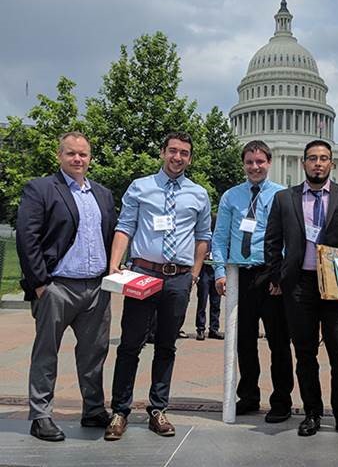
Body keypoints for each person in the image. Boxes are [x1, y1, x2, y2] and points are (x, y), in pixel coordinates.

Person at [104, 132, 211, 441]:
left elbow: (203, 236)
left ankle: (157, 408)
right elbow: (125, 226)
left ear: (190, 158)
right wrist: (115, 264)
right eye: (173, 151)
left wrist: (193, 275)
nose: (178, 157)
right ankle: (120, 410)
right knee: (130, 344)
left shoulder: (198, 194)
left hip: (178, 278)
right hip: (143, 275)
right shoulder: (141, 186)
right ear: (163, 152)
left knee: (166, 346)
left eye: (184, 153)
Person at [265, 140, 338, 439]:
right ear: (304, 163)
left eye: (324, 158)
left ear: (332, 164)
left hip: (337, 283)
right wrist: (278, 277)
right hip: (300, 284)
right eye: (312, 158)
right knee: (305, 353)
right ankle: (311, 412)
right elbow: (272, 241)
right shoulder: (285, 199)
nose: (318, 164)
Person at [16, 131, 116, 441]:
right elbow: (26, 237)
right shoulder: (42, 189)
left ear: (90, 157)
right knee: (46, 353)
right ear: (60, 155)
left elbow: (111, 235)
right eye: (71, 153)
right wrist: (40, 284)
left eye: (83, 154)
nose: (77, 159)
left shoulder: (103, 194)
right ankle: (41, 415)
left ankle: (94, 409)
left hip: (96, 288)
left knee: (94, 354)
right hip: (57, 287)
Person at [212, 140, 294, 423]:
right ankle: (248, 395)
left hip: (271, 276)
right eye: (249, 162)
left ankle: (281, 400)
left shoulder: (283, 195)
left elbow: (289, 238)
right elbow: (220, 237)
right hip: (240, 276)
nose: (255, 167)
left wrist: (280, 274)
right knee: (243, 341)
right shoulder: (231, 197)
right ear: (244, 164)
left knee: (279, 342)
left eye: (259, 161)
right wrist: (220, 272)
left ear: (269, 162)